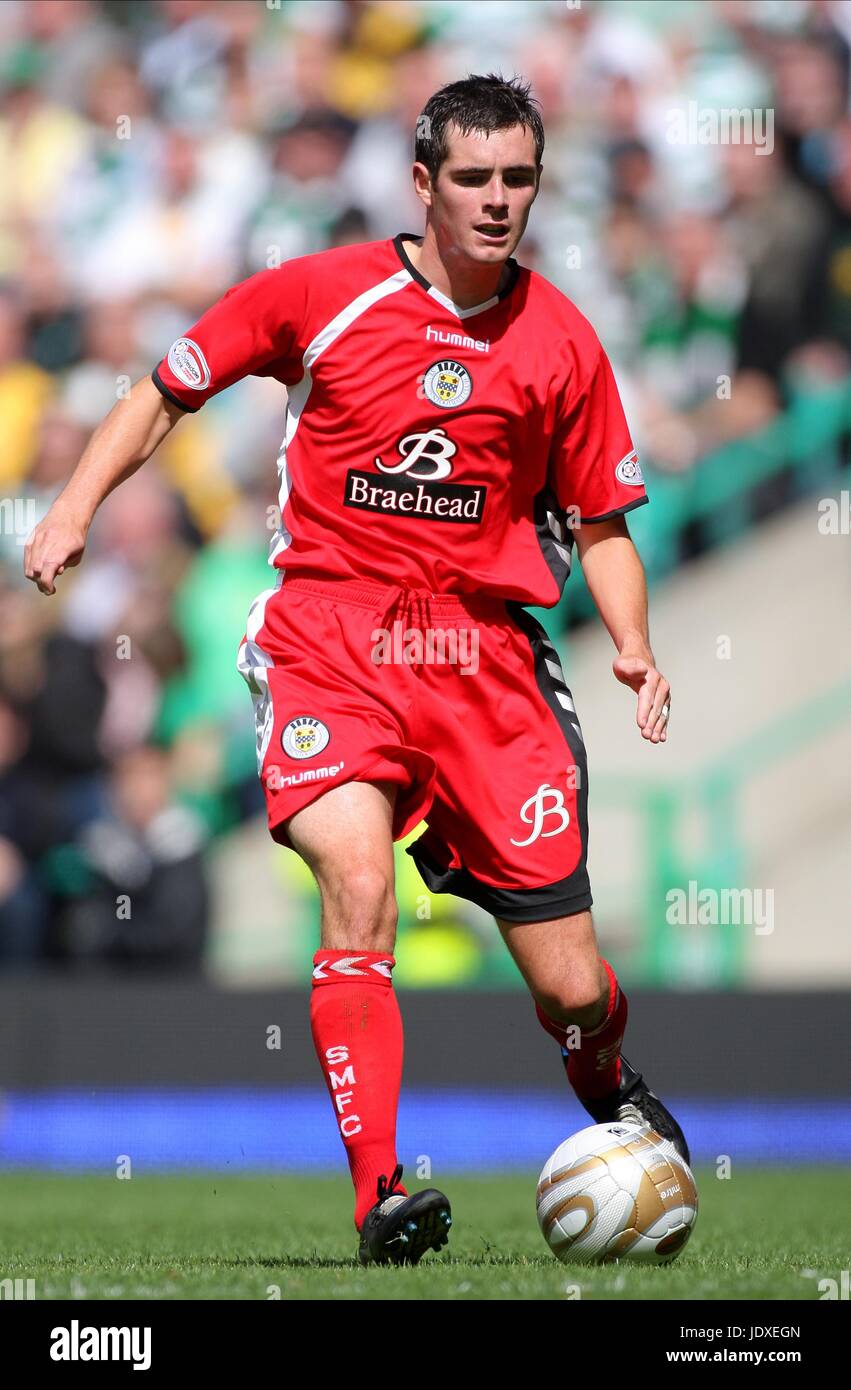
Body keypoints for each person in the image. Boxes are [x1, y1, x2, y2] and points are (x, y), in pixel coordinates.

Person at [24, 73, 686, 1268]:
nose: (497, 201)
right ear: (421, 183)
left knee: (570, 983)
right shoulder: (320, 295)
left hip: (484, 664)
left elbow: (600, 525)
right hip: (333, 638)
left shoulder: (561, 340)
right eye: (473, 178)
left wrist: (631, 641)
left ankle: (603, 1072)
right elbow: (167, 390)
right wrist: (73, 507)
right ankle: (380, 1189)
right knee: (354, 884)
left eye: (518, 178)